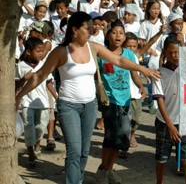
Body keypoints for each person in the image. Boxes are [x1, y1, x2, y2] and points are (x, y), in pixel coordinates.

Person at [15, 12, 160, 184]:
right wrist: (19, 96)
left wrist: (142, 69)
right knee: (74, 151)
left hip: (90, 106)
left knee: (84, 151)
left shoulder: (93, 47)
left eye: (93, 28)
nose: (92, 31)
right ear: (75, 30)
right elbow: (39, 76)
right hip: (69, 106)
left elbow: (119, 61)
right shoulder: (61, 51)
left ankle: (79, 179)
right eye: (88, 28)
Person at [95, 20, 147, 184]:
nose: (118, 36)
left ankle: (108, 169)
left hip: (125, 100)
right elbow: (95, 76)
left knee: (124, 135)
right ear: (108, 35)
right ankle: (104, 171)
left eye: (121, 33)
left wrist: (140, 86)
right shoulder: (101, 54)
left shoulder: (129, 54)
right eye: (114, 32)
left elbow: (134, 73)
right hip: (109, 101)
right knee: (110, 136)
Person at [152, 35, 186, 184]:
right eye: (171, 53)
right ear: (164, 52)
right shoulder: (158, 74)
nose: (175, 56)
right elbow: (160, 99)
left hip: (185, 121)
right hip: (164, 122)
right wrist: (169, 125)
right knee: (162, 158)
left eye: (178, 52)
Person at [15, 37, 58, 168]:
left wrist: (56, 96)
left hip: (42, 102)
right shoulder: (20, 66)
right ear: (28, 52)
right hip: (27, 102)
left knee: (40, 127)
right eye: (38, 51)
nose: (41, 54)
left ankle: (37, 144)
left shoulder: (43, 65)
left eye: (42, 51)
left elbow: (48, 81)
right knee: (29, 127)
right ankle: (30, 153)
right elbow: (16, 84)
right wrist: (24, 78)